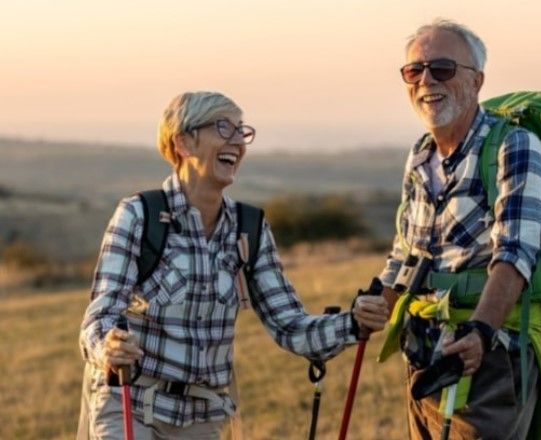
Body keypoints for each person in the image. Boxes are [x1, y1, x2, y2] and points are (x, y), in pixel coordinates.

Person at [77, 91, 390, 440]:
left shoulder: (249, 229)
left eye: (243, 132)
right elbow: (100, 315)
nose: (238, 141)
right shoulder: (138, 215)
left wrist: (354, 323)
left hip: (202, 418)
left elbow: (291, 327)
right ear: (183, 142)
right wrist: (108, 346)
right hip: (130, 408)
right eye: (224, 128)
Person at [377, 20, 541, 439]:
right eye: (413, 71)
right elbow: (405, 253)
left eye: (441, 68)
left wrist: (480, 331)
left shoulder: (515, 146)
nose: (425, 81)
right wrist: (369, 308)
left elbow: (515, 254)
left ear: (477, 81)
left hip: (491, 357)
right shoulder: (420, 155)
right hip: (423, 357)